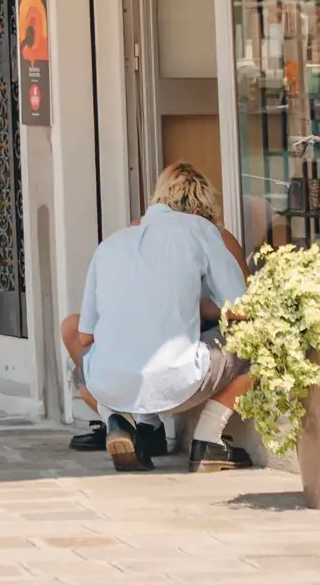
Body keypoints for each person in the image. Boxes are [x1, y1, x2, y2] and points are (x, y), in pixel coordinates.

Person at [60, 162, 252, 473]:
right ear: (200, 202)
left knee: (90, 347)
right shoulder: (203, 231)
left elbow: (84, 337)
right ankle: (208, 440)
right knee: (263, 338)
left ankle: (117, 421)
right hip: (181, 383)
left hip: (106, 387)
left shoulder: (111, 243)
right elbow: (242, 308)